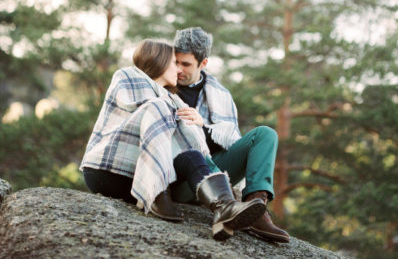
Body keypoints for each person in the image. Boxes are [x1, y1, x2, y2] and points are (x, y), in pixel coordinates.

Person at [80, 39, 266, 240]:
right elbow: (139, 109)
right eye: (173, 63)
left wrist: (197, 125)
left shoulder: (173, 100)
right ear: (158, 62)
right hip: (107, 171)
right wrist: (172, 113)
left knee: (192, 156)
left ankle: (224, 208)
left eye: (181, 64)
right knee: (157, 108)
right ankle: (157, 191)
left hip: (133, 176)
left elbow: (185, 141)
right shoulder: (127, 76)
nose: (178, 69)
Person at [173, 27, 290, 244]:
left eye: (186, 64)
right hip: (175, 180)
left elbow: (229, 144)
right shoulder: (161, 83)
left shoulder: (220, 95)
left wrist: (202, 127)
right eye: (175, 62)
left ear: (203, 63)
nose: (178, 69)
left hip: (212, 178)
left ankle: (256, 208)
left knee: (265, 134)